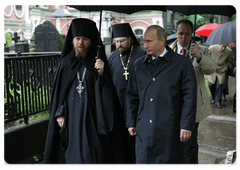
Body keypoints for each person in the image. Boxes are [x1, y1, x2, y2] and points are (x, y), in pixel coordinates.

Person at [43, 18, 132, 164]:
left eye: (84, 39)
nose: (80, 43)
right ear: (72, 40)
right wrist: (60, 112)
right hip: (71, 116)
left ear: (91, 41)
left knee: (94, 152)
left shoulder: (98, 62)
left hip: (93, 115)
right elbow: (59, 94)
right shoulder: (66, 63)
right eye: (77, 39)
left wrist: (102, 74)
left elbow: (108, 95)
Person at [126, 25, 197, 164]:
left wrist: (186, 125)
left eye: (149, 41)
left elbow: (189, 97)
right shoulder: (138, 65)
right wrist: (131, 122)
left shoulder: (182, 64)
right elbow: (132, 95)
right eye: (144, 41)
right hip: (144, 128)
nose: (145, 45)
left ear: (162, 40)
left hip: (170, 129)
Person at [169, 19, 217, 164]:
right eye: (180, 33)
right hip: (173, 105)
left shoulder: (202, 50)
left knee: (189, 143)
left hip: (193, 105)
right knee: (174, 141)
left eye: (187, 34)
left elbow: (212, 69)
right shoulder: (168, 51)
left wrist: (199, 56)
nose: (183, 37)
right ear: (176, 33)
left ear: (192, 34)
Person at [108, 23, 146, 164]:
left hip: (138, 105)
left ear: (130, 39)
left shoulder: (141, 53)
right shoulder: (112, 57)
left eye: (122, 41)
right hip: (118, 104)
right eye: (117, 41)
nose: (119, 44)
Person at [205, 44, 232, 109]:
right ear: (219, 44)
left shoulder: (229, 51)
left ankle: (218, 101)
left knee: (219, 86)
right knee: (210, 84)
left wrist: (225, 67)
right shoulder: (211, 48)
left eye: (225, 47)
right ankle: (213, 96)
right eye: (222, 46)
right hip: (212, 70)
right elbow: (206, 56)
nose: (223, 48)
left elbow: (229, 61)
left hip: (221, 71)